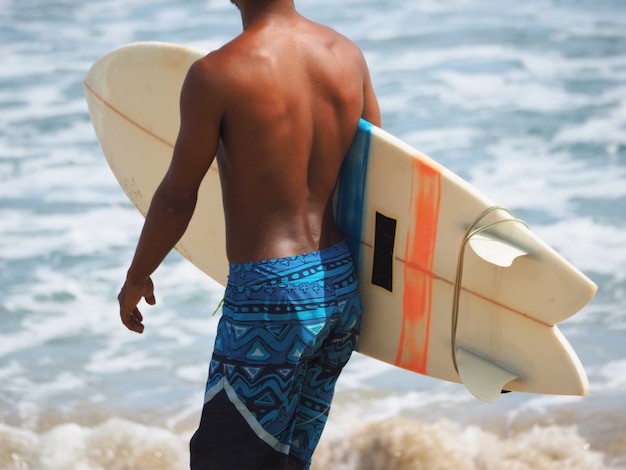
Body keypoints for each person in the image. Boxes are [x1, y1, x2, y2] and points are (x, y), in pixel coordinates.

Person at [117, 0, 380, 468]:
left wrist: (137, 276)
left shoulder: (217, 73)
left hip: (270, 301)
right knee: (284, 459)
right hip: (339, 286)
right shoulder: (346, 54)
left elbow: (178, 197)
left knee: (225, 459)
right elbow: (377, 175)